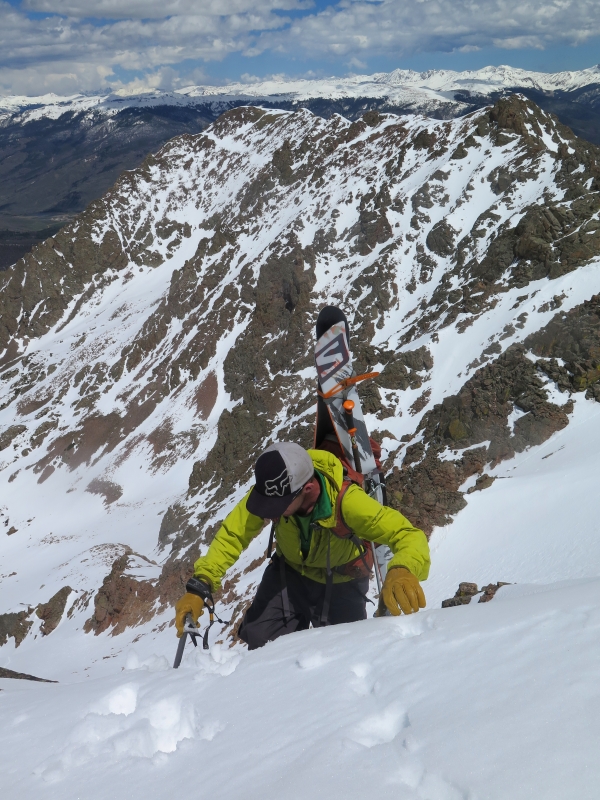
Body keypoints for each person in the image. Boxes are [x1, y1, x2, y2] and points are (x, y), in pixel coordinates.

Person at [175, 442, 430, 650]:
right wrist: (202, 583)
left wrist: (402, 569)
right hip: (290, 573)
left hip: (342, 582)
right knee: (261, 640)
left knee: (346, 652)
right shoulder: (275, 488)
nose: (271, 515)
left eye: (277, 508)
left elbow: (408, 535)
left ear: (308, 489)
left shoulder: (348, 503)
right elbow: (234, 533)